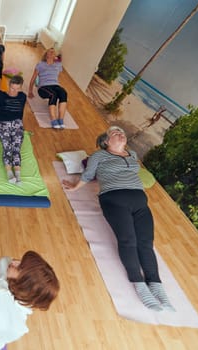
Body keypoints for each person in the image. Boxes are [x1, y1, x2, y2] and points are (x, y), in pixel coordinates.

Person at [62, 126, 175, 312]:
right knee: (128, 240)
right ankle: (139, 284)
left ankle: (156, 285)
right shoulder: (98, 156)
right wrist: (74, 187)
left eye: (121, 132)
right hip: (113, 199)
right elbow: (89, 175)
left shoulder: (132, 155)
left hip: (140, 202)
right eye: (115, 133)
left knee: (146, 242)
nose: (120, 134)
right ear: (106, 142)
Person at [0, 75, 27, 184]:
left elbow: (20, 113)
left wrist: (20, 125)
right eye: (12, 88)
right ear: (8, 86)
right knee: (7, 147)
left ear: (21, 88)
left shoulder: (23, 97)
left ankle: (18, 175)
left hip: (17, 123)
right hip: (3, 124)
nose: (14, 91)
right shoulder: (1, 96)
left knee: (16, 148)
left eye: (17, 89)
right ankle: (10, 173)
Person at [27, 48, 68, 129]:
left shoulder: (58, 65)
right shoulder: (40, 64)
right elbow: (33, 78)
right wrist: (30, 91)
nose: (52, 52)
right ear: (46, 54)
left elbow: (57, 74)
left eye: (53, 52)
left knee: (64, 93)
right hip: (43, 87)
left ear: (55, 55)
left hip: (55, 85)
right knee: (53, 95)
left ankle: (61, 119)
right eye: (50, 51)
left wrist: (57, 60)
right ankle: (53, 119)